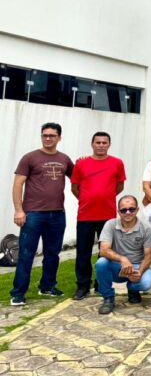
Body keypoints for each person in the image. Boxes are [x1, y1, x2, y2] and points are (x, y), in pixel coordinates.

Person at [10, 122, 74, 306]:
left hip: (57, 214)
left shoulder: (64, 159)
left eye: (52, 135)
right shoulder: (29, 158)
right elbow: (17, 184)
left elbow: (77, 177)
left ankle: (47, 286)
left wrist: (85, 161)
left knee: (53, 253)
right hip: (33, 214)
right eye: (45, 135)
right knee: (27, 254)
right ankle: (18, 293)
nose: (48, 138)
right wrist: (18, 210)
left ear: (59, 138)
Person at [71, 131, 126, 300]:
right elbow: (75, 187)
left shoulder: (117, 163)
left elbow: (120, 186)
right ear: (92, 144)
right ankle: (83, 285)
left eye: (104, 142)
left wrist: (104, 197)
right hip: (85, 215)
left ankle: (101, 284)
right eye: (98, 142)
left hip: (107, 216)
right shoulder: (81, 164)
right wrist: (88, 199)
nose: (101, 145)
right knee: (83, 252)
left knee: (105, 252)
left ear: (109, 144)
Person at [94, 195, 151, 314]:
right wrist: (123, 259)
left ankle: (132, 289)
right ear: (118, 212)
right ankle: (108, 298)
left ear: (137, 210)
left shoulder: (147, 228)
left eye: (131, 209)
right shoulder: (110, 224)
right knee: (101, 263)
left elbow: (148, 255)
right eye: (123, 210)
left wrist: (139, 273)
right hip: (117, 267)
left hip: (137, 266)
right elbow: (103, 250)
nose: (128, 212)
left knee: (147, 282)